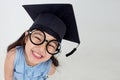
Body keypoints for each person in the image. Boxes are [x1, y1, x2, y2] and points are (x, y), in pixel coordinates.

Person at [4, 4, 80, 80]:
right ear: (27, 37)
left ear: (55, 50)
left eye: (51, 45)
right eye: (38, 38)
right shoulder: (13, 56)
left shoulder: (50, 69)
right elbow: (8, 78)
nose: (42, 48)